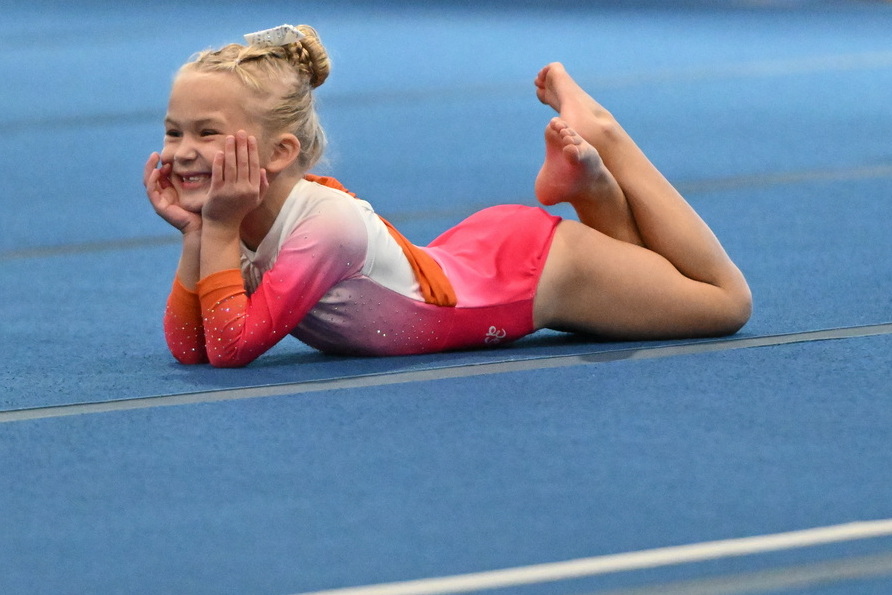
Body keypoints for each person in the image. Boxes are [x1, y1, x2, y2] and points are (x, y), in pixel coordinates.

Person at [145, 24, 751, 368]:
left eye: (206, 133)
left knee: (724, 303)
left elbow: (231, 348)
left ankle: (606, 137)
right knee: (638, 288)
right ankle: (588, 187)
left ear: (279, 152)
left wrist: (215, 231)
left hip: (538, 275)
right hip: (478, 260)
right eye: (174, 132)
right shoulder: (240, 216)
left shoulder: (324, 229)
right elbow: (193, 349)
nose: (182, 152)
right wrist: (198, 236)